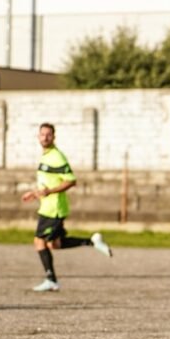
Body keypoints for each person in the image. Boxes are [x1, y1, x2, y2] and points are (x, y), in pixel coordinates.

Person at [21, 123, 112, 292]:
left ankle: (51, 280)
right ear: (38, 136)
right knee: (55, 244)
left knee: (39, 242)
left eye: (48, 135)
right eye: (42, 134)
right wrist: (34, 193)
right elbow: (47, 183)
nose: (45, 137)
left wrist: (49, 192)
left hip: (54, 209)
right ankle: (91, 241)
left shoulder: (57, 157)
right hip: (47, 207)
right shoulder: (45, 156)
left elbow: (71, 181)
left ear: (54, 137)